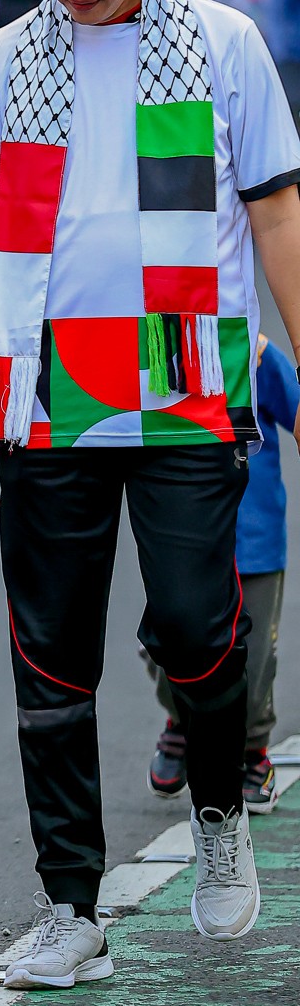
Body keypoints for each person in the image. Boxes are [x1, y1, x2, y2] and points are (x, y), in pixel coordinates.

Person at [0, 0, 300, 988]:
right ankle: (68, 907)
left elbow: (274, 215)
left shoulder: (223, 45)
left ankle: (217, 812)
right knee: (48, 658)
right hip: (47, 399)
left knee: (198, 629)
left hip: (184, 390)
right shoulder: (4, 61)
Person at [147, 334, 299, 815]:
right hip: (180, 535)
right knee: (173, 640)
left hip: (255, 540)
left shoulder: (258, 354)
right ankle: (180, 719)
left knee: (254, 660)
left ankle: (253, 751)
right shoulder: (160, 347)